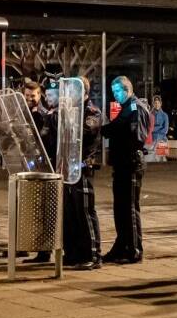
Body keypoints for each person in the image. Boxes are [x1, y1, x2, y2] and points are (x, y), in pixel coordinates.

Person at [102, 76, 151, 264]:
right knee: (120, 208)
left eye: (117, 91)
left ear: (127, 89)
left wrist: (111, 130)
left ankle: (134, 250)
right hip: (122, 163)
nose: (115, 95)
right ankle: (122, 245)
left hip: (130, 163)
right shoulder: (127, 108)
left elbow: (136, 136)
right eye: (113, 92)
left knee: (129, 208)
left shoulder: (135, 108)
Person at [61, 77, 104, 270]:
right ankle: (73, 252)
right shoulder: (71, 110)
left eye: (73, 91)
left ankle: (92, 254)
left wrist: (71, 114)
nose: (70, 95)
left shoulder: (92, 112)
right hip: (68, 167)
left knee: (85, 211)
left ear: (84, 93)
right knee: (70, 212)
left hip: (83, 166)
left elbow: (86, 133)